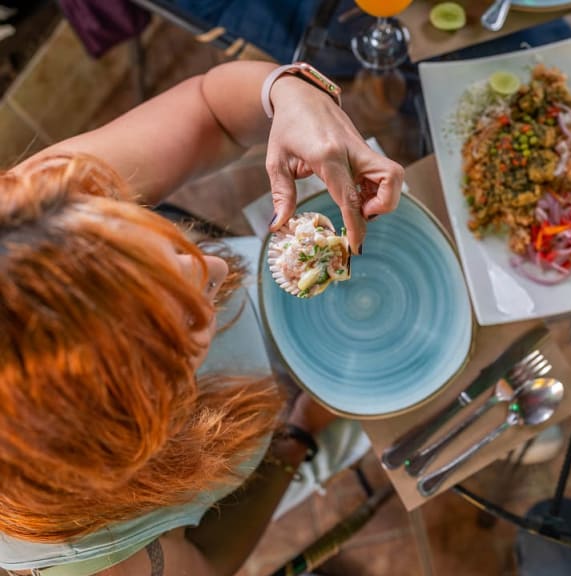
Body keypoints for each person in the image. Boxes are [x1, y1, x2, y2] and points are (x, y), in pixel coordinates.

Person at [0, 60, 404, 575]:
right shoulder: (77, 549)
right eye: (186, 324)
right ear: (132, 430)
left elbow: (212, 110)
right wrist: (301, 432)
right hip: (274, 440)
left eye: (167, 249)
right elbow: (209, 563)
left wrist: (289, 97)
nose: (216, 264)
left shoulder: (35, 223)